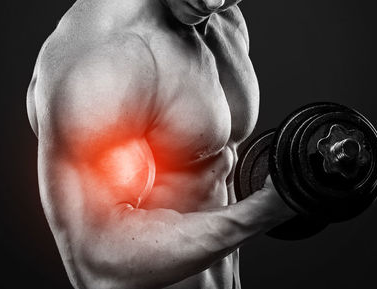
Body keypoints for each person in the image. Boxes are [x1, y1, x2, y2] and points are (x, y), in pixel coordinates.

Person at [26, 0, 296, 288]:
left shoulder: (224, 21)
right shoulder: (103, 56)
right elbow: (98, 262)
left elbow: (218, 176)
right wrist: (264, 210)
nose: (212, 1)